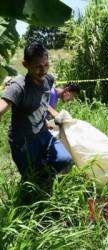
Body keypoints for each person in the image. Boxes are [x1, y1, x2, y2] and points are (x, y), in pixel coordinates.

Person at [0, 42, 73, 193]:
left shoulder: (49, 79)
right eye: (38, 66)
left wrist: (62, 95)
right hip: (24, 142)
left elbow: (43, 98)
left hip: (43, 134)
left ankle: (46, 180)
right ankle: (31, 196)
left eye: (46, 64)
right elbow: (2, 106)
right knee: (30, 181)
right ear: (25, 64)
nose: (43, 70)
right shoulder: (18, 86)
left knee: (64, 159)